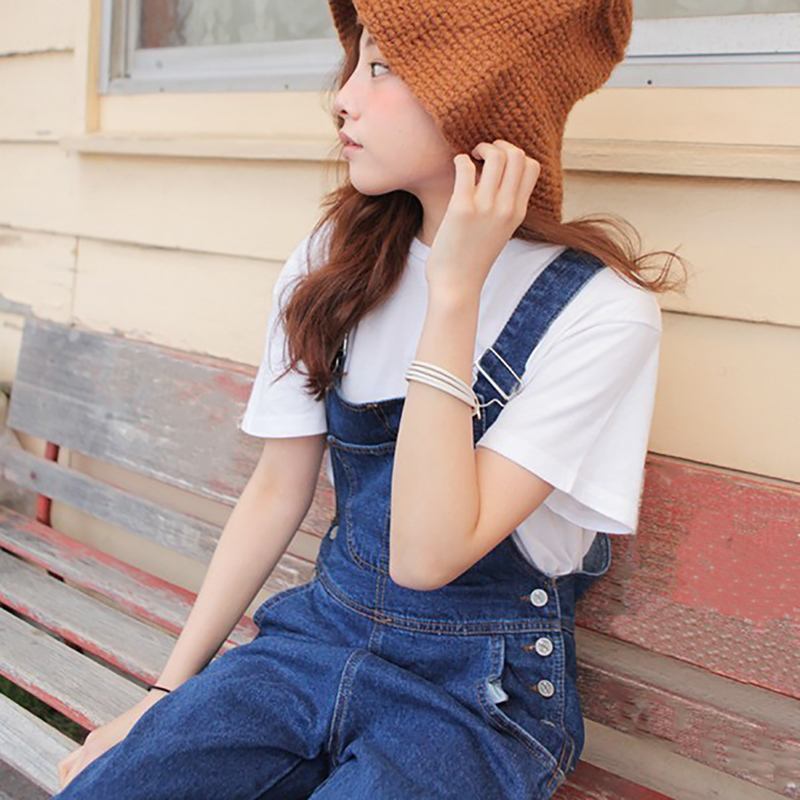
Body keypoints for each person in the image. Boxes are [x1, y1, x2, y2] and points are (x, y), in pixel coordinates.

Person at [53, 0, 687, 797]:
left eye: (383, 67)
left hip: (475, 695)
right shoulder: (334, 263)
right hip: (315, 640)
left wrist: (453, 292)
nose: (343, 97)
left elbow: (425, 556)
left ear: (483, 96)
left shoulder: (600, 314)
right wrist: (161, 697)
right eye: (355, 61)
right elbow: (275, 491)